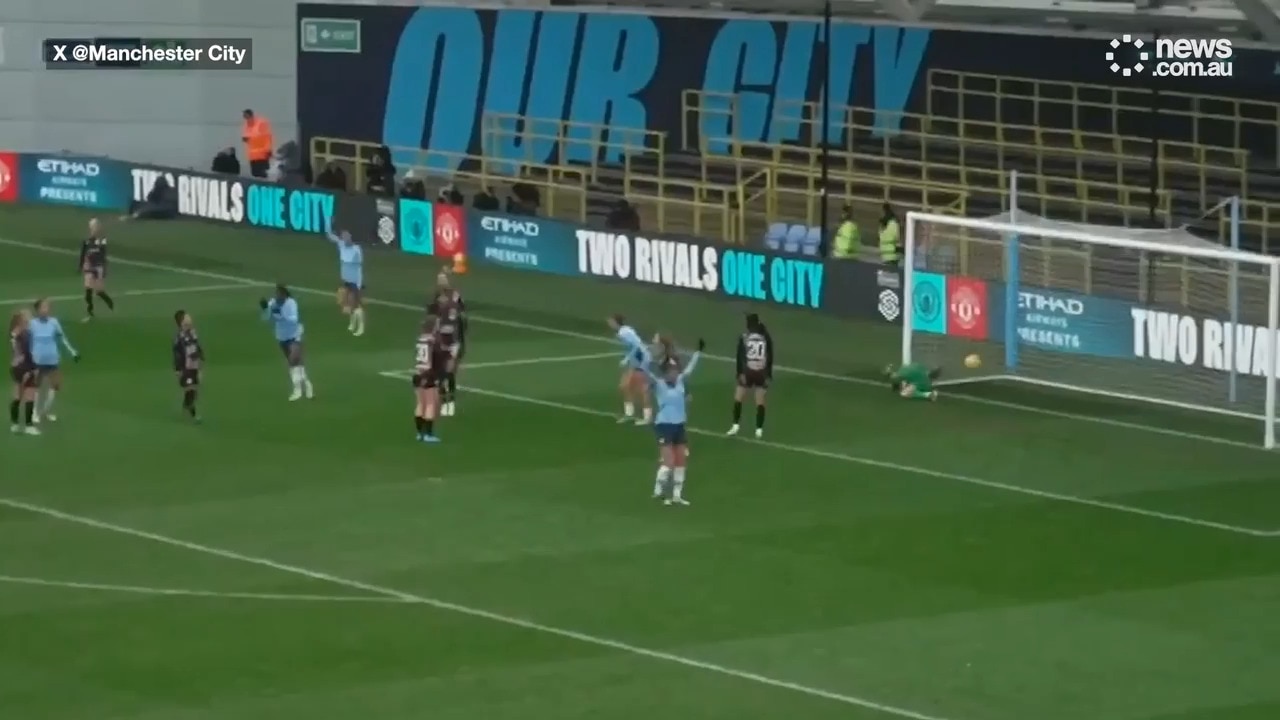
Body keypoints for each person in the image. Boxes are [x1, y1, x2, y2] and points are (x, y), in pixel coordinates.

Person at [644, 338, 704, 506]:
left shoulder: (681, 382)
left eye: (676, 371)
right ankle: (659, 489)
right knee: (668, 462)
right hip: (664, 426)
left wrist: (698, 352)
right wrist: (647, 356)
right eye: (672, 371)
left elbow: (691, 368)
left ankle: (677, 495)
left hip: (679, 426)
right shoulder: (659, 384)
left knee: (680, 462)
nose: (675, 373)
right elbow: (646, 370)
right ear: (666, 373)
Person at [259, 285, 314, 401]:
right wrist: (265, 308)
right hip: (282, 336)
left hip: (294, 335)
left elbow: (294, 318)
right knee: (295, 363)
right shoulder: (273, 303)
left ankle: (297, 390)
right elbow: (266, 318)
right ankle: (307, 385)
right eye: (276, 294)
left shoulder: (291, 303)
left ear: (284, 294)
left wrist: (281, 315)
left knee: (293, 359)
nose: (277, 296)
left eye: (279, 294)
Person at [29, 298, 79, 423]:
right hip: (38, 359)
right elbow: (27, 341)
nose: (46, 310)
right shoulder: (32, 324)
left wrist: (73, 352)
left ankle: (45, 412)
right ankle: (34, 413)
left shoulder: (54, 322)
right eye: (43, 307)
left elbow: (63, 338)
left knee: (55, 386)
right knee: (37, 387)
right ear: (37, 310)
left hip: (52, 358)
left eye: (47, 307)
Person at [728, 313, 773, 438]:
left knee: (738, 397)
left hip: (748, 371)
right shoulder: (765, 337)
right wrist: (768, 374)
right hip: (761, 372)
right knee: (760, 401)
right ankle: (759, 429)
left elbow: (740, 357)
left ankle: (735, 426)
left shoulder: (744, 337)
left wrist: (740, 373)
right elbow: (770, 356)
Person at [428, 273, 466, 417]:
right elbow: (432, 317)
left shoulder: (454, 296)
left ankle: (451, 403)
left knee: (449, 373)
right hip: (440, 342)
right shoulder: (437, 297)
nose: (441, 282)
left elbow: (462, 313)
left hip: (453, 343)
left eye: (443, 280)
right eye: (439, 280)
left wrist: (461, 341)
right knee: (439, 374)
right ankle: (444, 402)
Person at [607, 314, 651, 425]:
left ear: (616, 322)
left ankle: (647, 417)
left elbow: (636, 346)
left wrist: (626, 359)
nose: (609, 324)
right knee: (624, 385)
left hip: (641, 358)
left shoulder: (623, 333)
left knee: (641, 388)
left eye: (611, 321)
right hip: (635, 359)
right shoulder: (623, 331)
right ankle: (629, 414)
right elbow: (631, 346)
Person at [327, 222, 366, 336]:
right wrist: (328, 222)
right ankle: (352, 323)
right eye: (343, 236)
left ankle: (361, 326)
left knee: (356, 304)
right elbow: (330, 236)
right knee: (349, 303)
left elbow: (359, 263)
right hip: (346, 279)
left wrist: (348, 262)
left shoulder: (356, 249)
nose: (345, 238)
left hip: (355, 280)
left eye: (346, 236)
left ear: (350, 237)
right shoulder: (341, 245)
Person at [411, 320, 442, 443]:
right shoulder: (432, 342)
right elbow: (435, 360)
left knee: (420, 404)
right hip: (428, 374)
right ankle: (428, 435)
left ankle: (419, 433)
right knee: (430, 404)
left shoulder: (419, 341)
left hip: (417, 373)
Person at [79, 218, 115, 321]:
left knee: (99, 291)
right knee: (88, 289)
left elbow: (102, 255)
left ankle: (109, 302)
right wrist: (81, 266)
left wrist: (102, 268)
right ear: (90, 228)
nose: (94, 228)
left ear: (98, 227)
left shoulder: (102, 240)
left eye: (96, 226)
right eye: (92, 226)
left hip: (98, 267)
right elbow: (82, 254)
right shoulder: (86, 241)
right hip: (89, 268)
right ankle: (89, 312)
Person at [9, 310, 38, 435]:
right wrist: (30, 369)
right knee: (19, 396)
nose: (31, 319)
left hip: (26, 367)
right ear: (21, 320)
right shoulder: (19, 334)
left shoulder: (27, 333)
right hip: (21, 368)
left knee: (29, 396)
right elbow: (22, 352)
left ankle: (27, 425)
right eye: (28, 317)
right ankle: (16, 423)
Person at [172, 310, 205, 422]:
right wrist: (177, 369)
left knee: (194, 391)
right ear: (181, 323)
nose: (190, 320)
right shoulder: (179, 338)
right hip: (186, 368)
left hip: (194, 366)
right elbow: (177, 354)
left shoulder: (193, 333)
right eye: (187, 319)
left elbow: (197, 346)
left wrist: (201, 356)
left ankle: (186, 406)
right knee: (190, 390)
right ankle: (194, 415)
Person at [241, 109, 273, 178]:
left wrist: (268, 150)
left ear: (250, 115)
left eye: (246, 116)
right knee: (255, 174)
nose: (245, 118)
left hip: (262, 155)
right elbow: (246, 137)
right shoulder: (246, 125)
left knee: (263, 174)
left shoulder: (260, 123)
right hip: (253, 156)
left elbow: (267, 137)